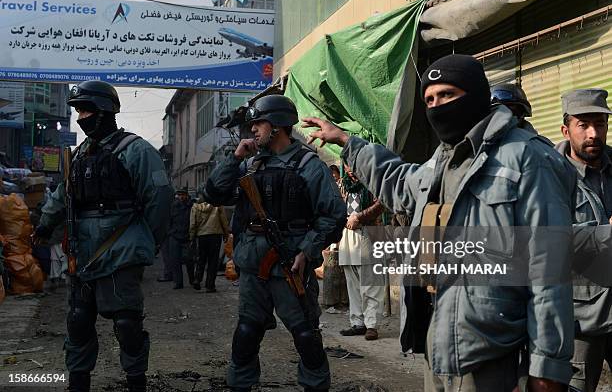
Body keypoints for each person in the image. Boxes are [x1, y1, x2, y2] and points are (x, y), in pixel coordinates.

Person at [302, 54, 576, 392]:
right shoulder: (444, 157)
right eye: (429, 99)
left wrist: (547, 365)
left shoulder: (528, 157)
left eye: (447, 95)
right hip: (439, 333)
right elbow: (401, 183)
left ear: (475, 95)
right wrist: (347, 143)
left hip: (493, 348)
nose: (437, 106)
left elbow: (549, 268)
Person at [33, 80, 173, 392]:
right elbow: (61, 195)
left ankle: (136, 381)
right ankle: (78, 382)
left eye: (86, 110)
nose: (81, 117)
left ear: (105, 111)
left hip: (121, 252)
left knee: (127, 324)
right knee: (79, 321)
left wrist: (145, 240)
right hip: (83, 254)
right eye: (78, 111)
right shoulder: (79, 155)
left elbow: (160, 199)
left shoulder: (135, 150)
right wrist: (45, 224)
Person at [202, 94, 346, 392]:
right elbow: (213, 194)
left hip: (290, 264)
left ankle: (315, 386)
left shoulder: (309, 165)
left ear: (278, 125)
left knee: (306, 336)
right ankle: (240, 384)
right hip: (253, 264)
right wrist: (235, 158)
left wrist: (307, 251)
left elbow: (332, 216)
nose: (252, 130)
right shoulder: (250, 164)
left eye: (258, 124)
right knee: (246, 332)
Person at [556, 89, 612, 392]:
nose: (594, 133)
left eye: (600, 124)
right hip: (581, 314)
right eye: (584, 125)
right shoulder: (548, 174)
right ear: (566, 129)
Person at [337, 163, 385, 341]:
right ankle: (358, 322)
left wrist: (360, 216)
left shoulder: (374, 181)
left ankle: (371, 325)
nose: (350, 168)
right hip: (348, 234)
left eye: (353, 164)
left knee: (371, 282)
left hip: (369, 232)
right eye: (348, 164)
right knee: (353, 281)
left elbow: (383, 204)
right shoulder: (344, 184)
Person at [189, 194, 230, 292]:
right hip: (215, 235)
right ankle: (210, 285)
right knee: (213, 261)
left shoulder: (196, 206)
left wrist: (192, 237)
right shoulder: (218, 205)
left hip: (201, 235)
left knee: (201, 259)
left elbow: (193, 223)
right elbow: (223, 220)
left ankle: (197, 279)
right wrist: (226, 234)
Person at [167, 187, 193, 289]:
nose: (181, 197)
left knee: (189, 260)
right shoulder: (173, 206)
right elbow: (168, 220)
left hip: (187, 236)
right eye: (179, 195)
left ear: (187, 195)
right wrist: (170, 232)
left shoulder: (191, 206)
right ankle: (178, 282)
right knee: (175, 260)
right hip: (175, 235)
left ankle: (192, 279)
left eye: (183, 195)